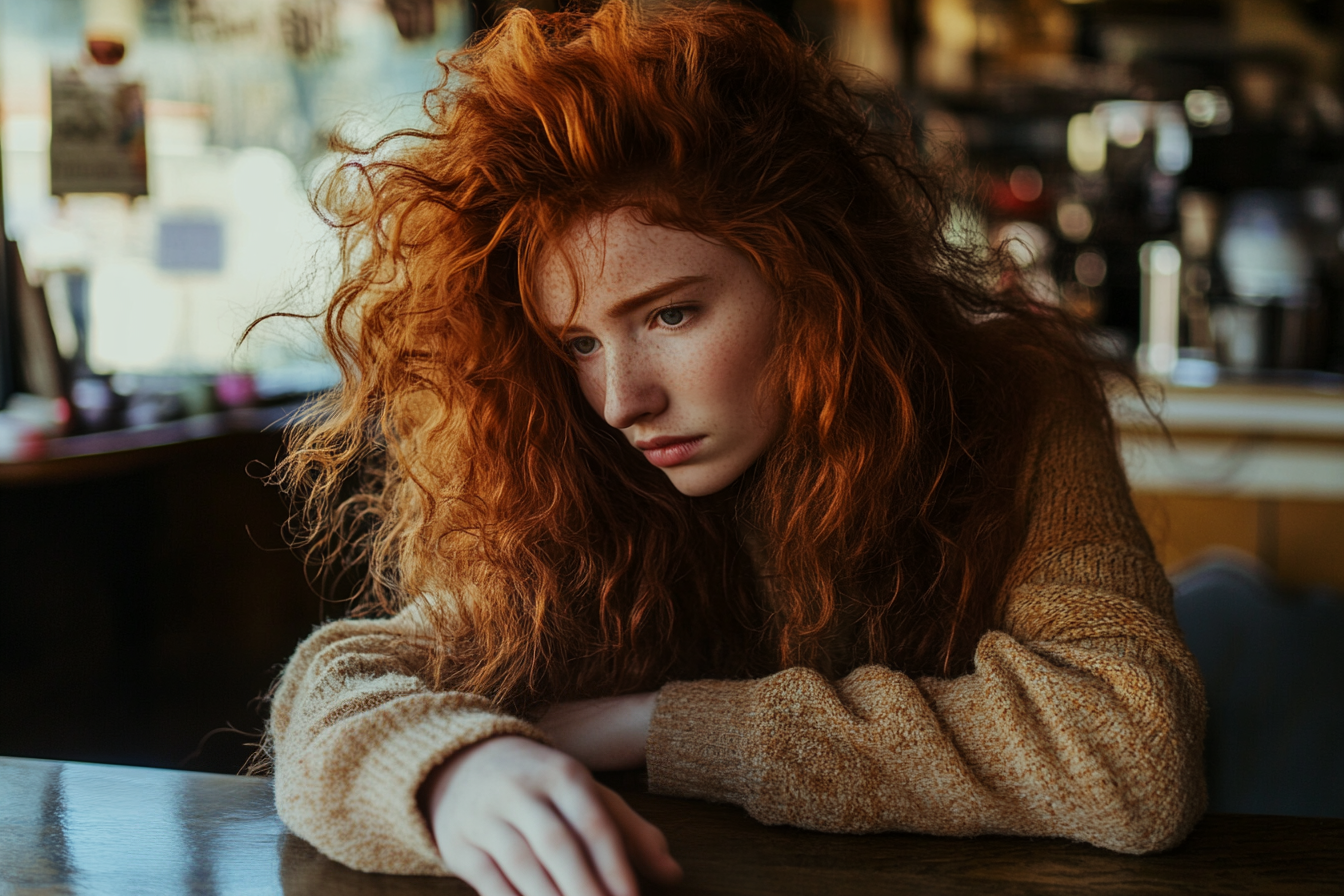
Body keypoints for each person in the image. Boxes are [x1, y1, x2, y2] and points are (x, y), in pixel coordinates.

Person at [260, 3, 1207, 894]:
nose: (621, 402)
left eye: (672, 313)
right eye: (578, 345)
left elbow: (1132, 749)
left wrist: (661, 724)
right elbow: (336, 688)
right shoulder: (571, 482)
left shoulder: (1013, 407)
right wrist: (449, 774)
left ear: (814, 277)